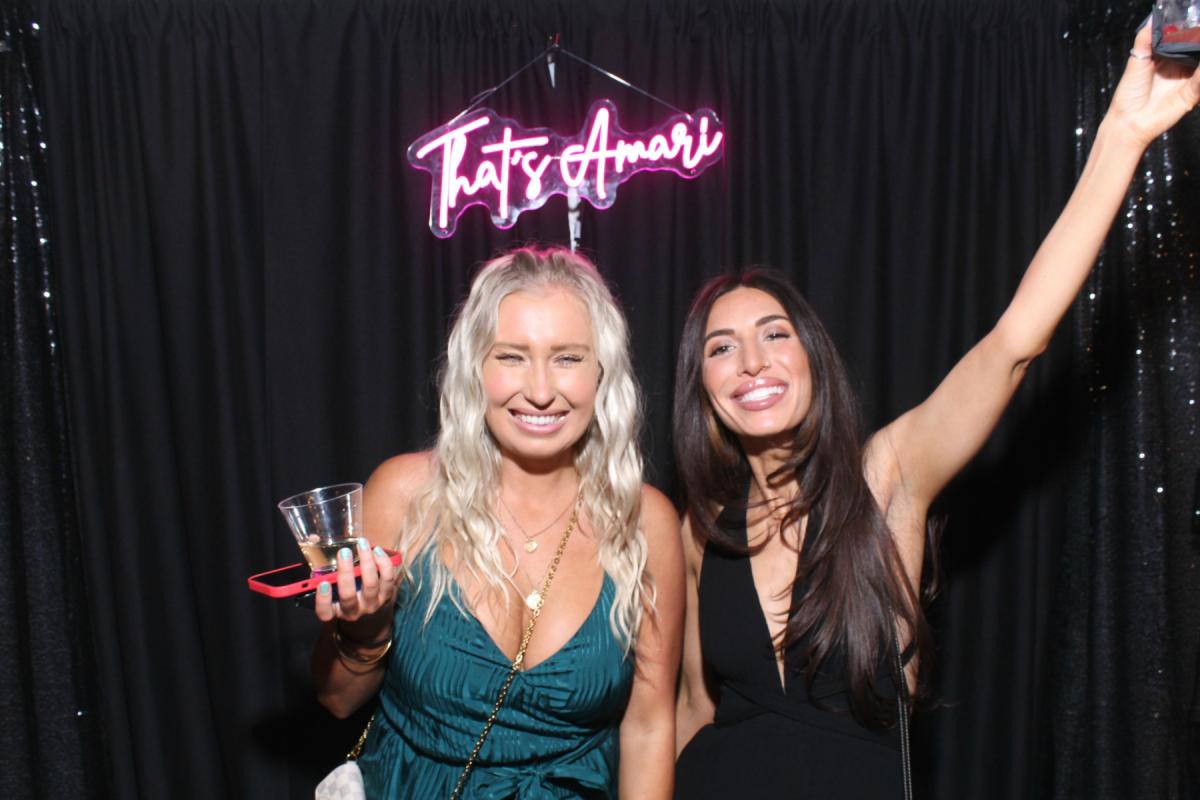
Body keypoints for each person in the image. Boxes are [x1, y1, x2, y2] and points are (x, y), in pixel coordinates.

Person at [672, 25, 1200, 799]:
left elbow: (1014, 344)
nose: (752, 361)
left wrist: (1124, 132)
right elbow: (692, 709)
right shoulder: (701, 527)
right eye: (722, 348)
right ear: (703, 387)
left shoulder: (888, 473)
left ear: (814, 357)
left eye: (775, 334)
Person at [311, 246, 684, 798]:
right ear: (475, 368)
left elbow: (649, 729)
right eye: (511, 356)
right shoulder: (407, 495)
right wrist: (364, 631)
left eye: (567, 358)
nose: (540, 390)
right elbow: (336, 699)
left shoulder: (645, 522)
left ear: (602, 373)